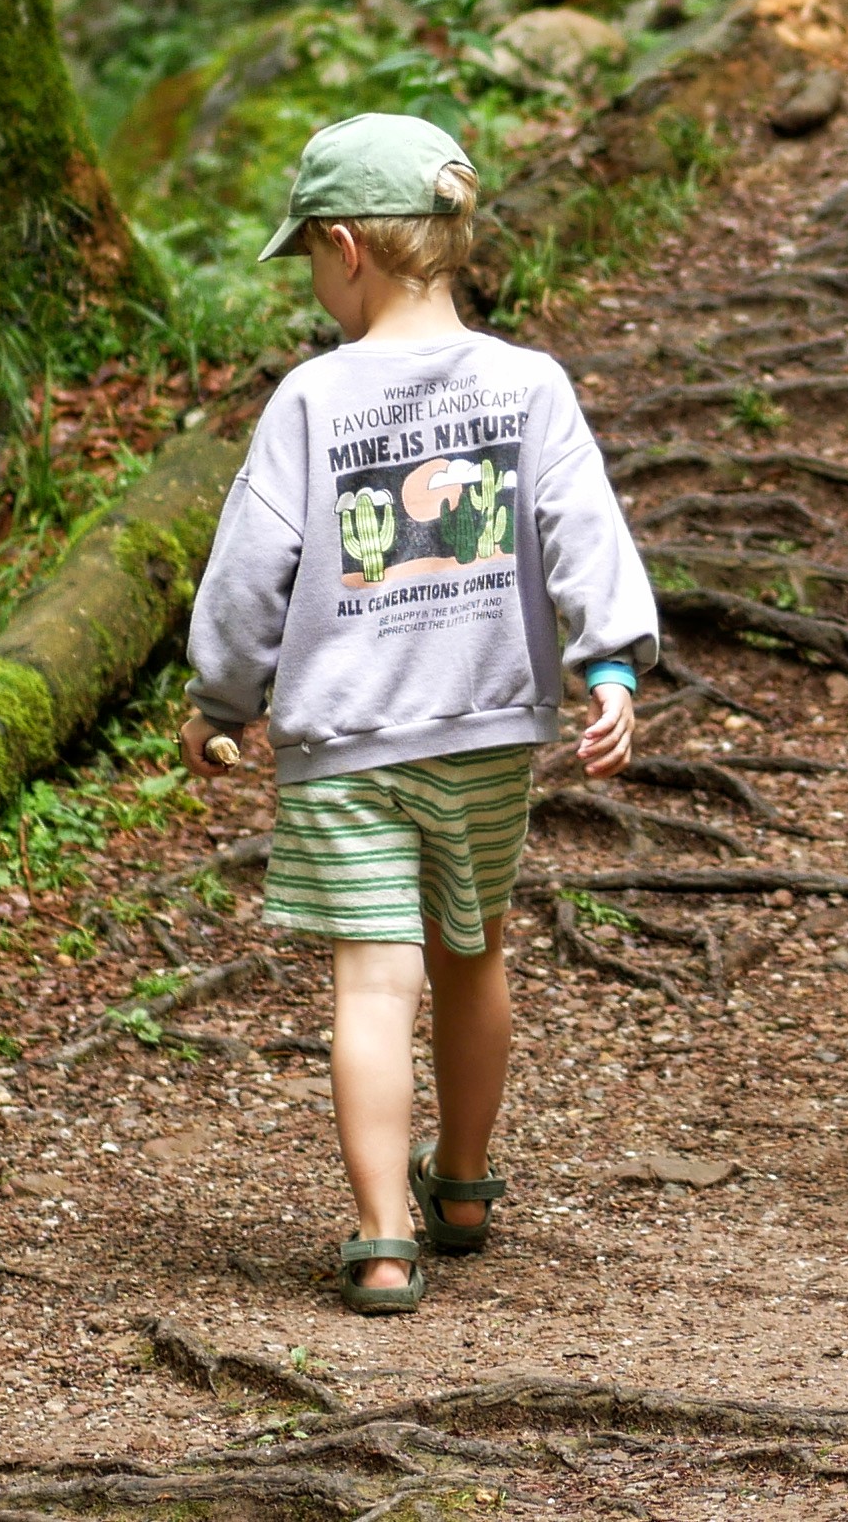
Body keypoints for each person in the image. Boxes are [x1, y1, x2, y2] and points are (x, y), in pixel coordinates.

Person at [183, 114, 658, 1315]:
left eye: (306, 254)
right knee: (472, 948)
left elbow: (252, 567)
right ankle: (460, 1184)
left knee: (370, 984)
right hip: (488, 729)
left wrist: (220, 699)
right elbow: (579, 528)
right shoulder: (527, 383)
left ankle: (382, 1239)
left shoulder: (311, 398)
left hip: (348, 743)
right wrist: (609, 669)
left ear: (345, 245)